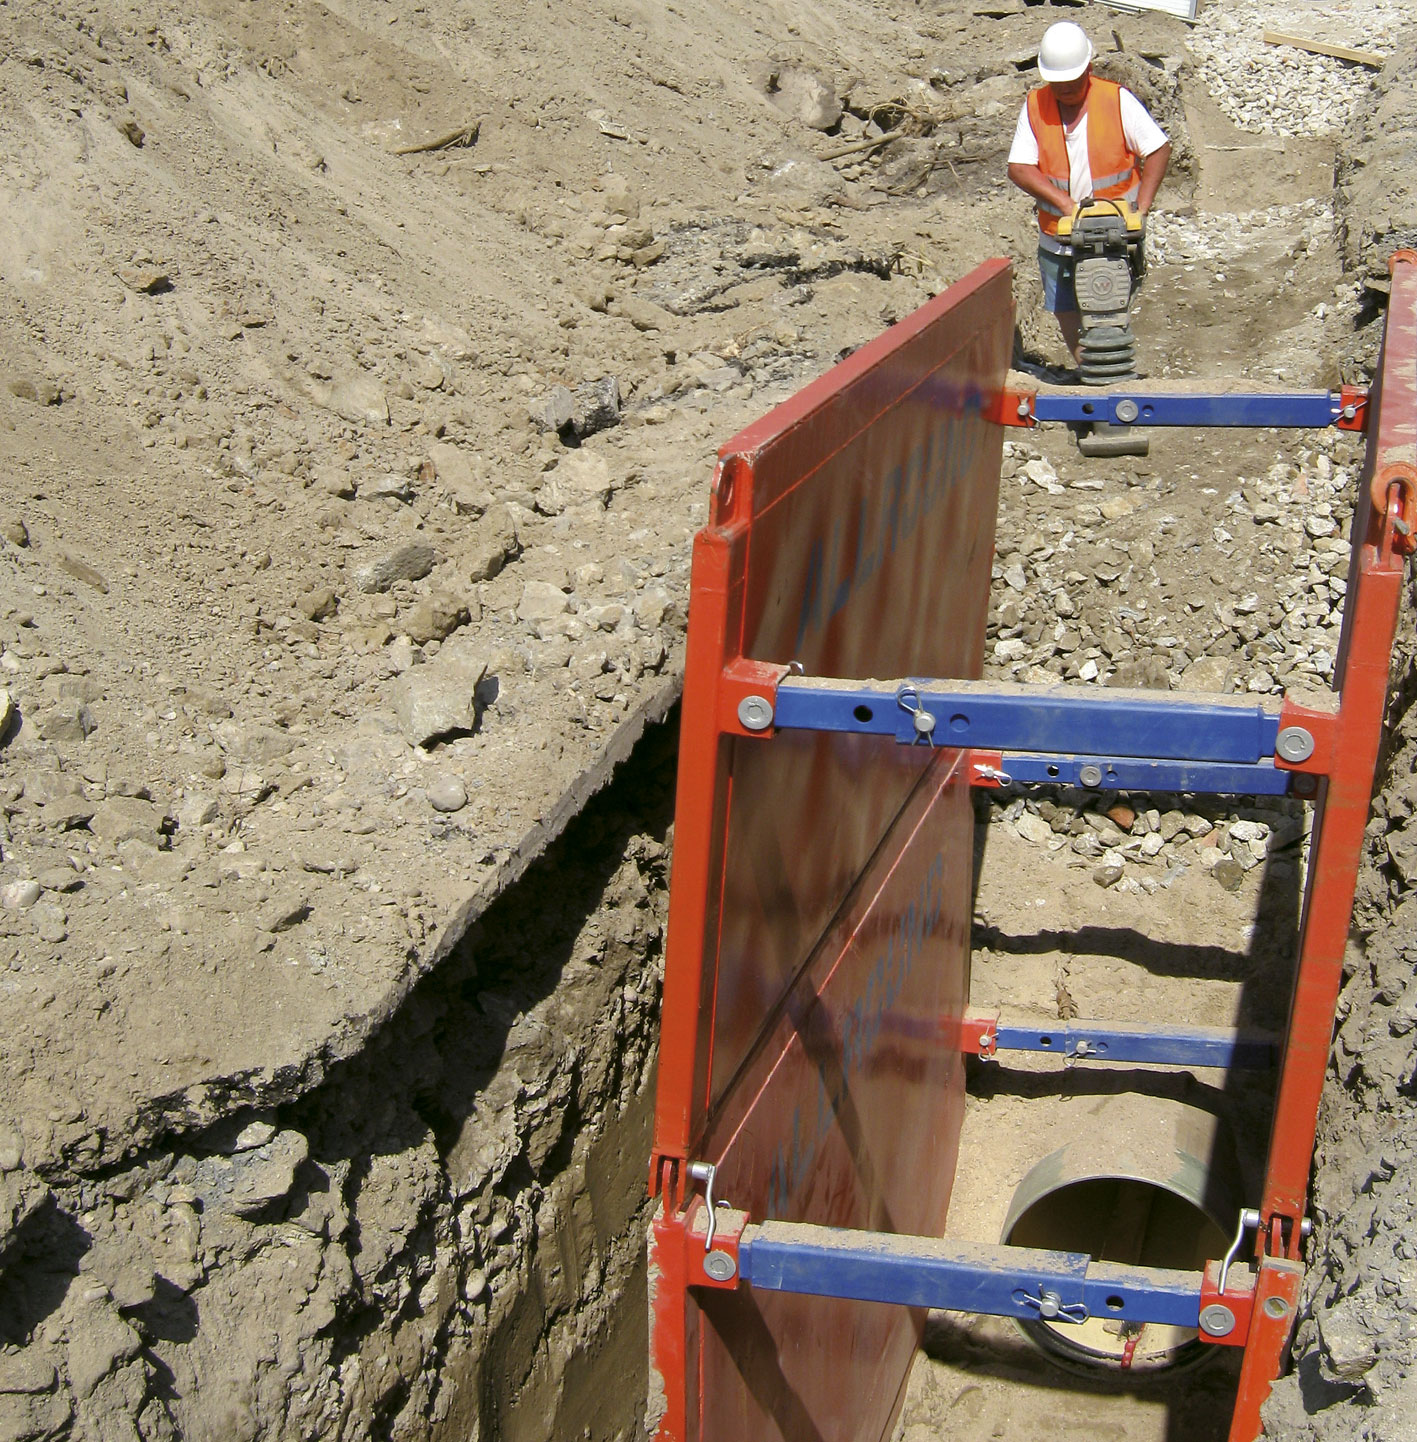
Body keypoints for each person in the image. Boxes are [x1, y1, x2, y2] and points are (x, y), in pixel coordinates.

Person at [1007, 21, 1171, 365]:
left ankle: (1110, 370)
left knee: (1107, 308)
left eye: (1073, 82)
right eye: (1059, 84)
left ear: (1089, 69)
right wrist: (1064, 203)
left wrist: (1141, 209)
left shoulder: (1116, 101)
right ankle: (1090, 373)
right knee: (1065, 309)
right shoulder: (1035, 106)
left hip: (1114, 236)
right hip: (1058, 237)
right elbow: (1019, 167)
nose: (1066, 89)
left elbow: (1158, 148)